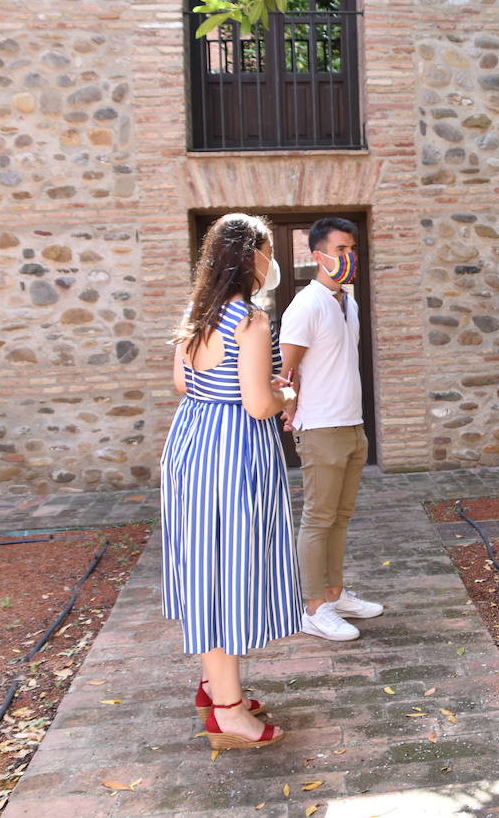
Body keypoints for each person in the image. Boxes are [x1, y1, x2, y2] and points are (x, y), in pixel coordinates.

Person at [161, 213, 299, 750]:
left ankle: (214, 685)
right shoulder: (250, 320)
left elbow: (181, 381)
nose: (270, 263)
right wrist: (284, 394)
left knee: (205, 567)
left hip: (191, 442)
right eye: (266, 252)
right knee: (227, 572)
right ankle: (228, 710)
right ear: (251, 258)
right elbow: (258, 403)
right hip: (232, 453)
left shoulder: (199, 312)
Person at [280, 217, 383, 642]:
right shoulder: (306, 304)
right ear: (317, 255)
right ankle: (312, 608)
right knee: (319, 519)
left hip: (352, 424)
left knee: (340, 518)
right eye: (340, 250)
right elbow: (287, 370)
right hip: (320, 427)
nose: (348, 257)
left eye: (351, 249)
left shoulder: (350, 303)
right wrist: (289, 411)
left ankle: (335, 594)